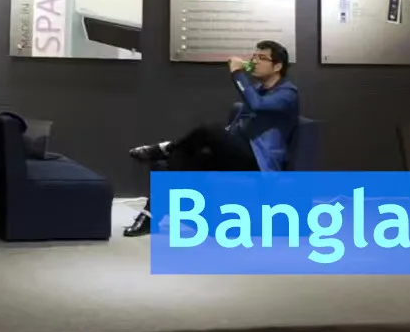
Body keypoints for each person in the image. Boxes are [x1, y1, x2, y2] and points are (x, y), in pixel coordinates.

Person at [121, 40, 299, 238]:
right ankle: (150, 216)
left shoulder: (287, 93)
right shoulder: (258, 89)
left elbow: (257, 105)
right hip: (240, 151)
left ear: (277, 66)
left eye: (262, 58)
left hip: (260, 161)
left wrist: (237, 73)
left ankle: (165, 148)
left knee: (209, 129)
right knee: (181, 158)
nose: (255, 61)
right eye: (254, 57)